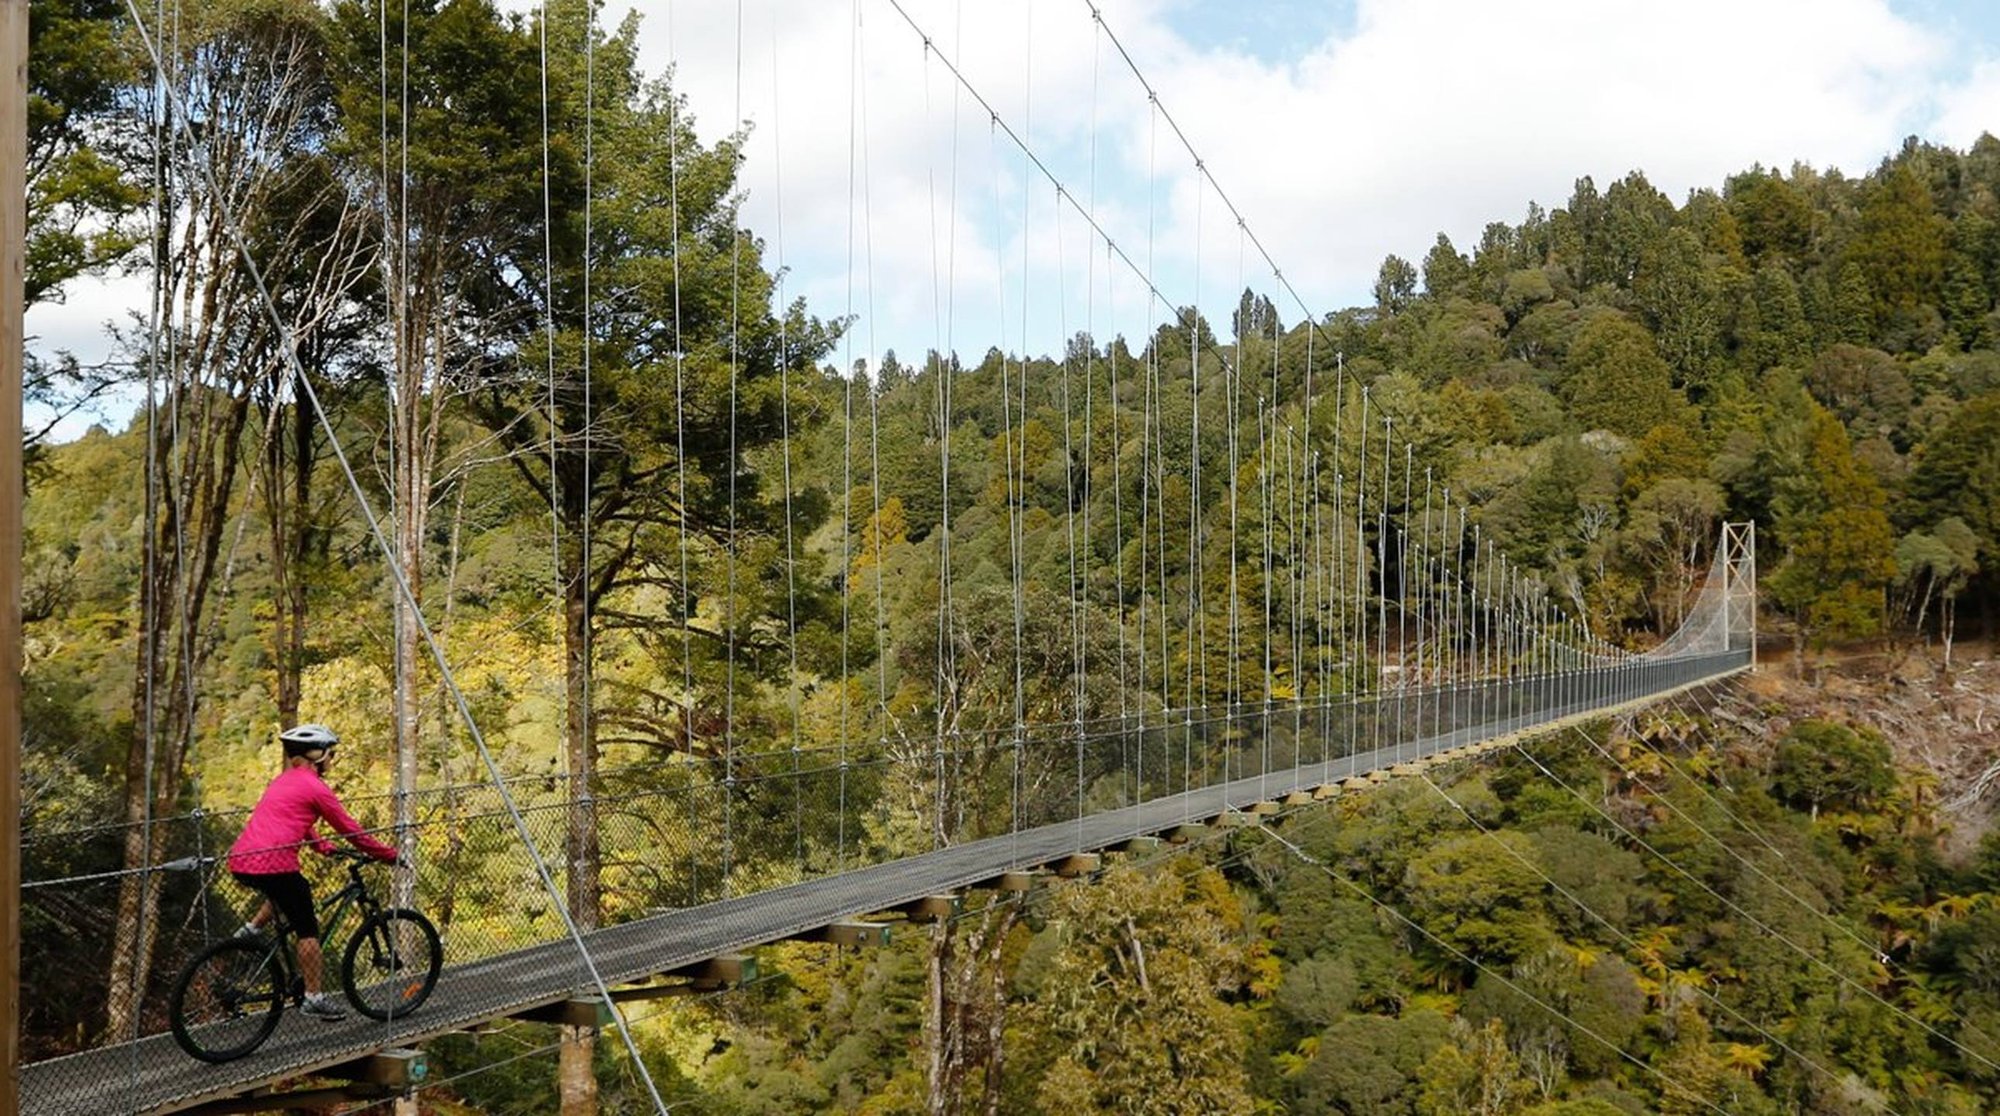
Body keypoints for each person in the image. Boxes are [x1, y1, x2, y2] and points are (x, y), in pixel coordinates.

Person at [226, 723, 398, 1022]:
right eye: (331, 754)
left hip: (242, 860)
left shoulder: (281, 782)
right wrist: (388, 855)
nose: (332, 760)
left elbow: (296, 819)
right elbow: (351, 831)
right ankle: (313, 998)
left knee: (284, 892)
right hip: (274, 864)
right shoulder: (317, 788)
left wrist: (321, 847)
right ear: (317, 755)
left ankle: (251, 930)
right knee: (307, 929)